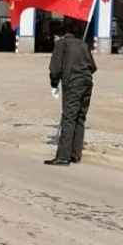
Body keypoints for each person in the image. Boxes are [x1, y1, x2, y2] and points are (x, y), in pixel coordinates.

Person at [45, 20, 97, 166]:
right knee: (80, 118)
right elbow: (93, 67)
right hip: (87, 83)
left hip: (73, 84)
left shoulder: (61, 44)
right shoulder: (83, 44)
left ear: (57, 36)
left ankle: (63, 157)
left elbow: (55, 69)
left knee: (68, 118)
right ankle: (75, 154)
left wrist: (54, 84)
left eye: (54, 38)